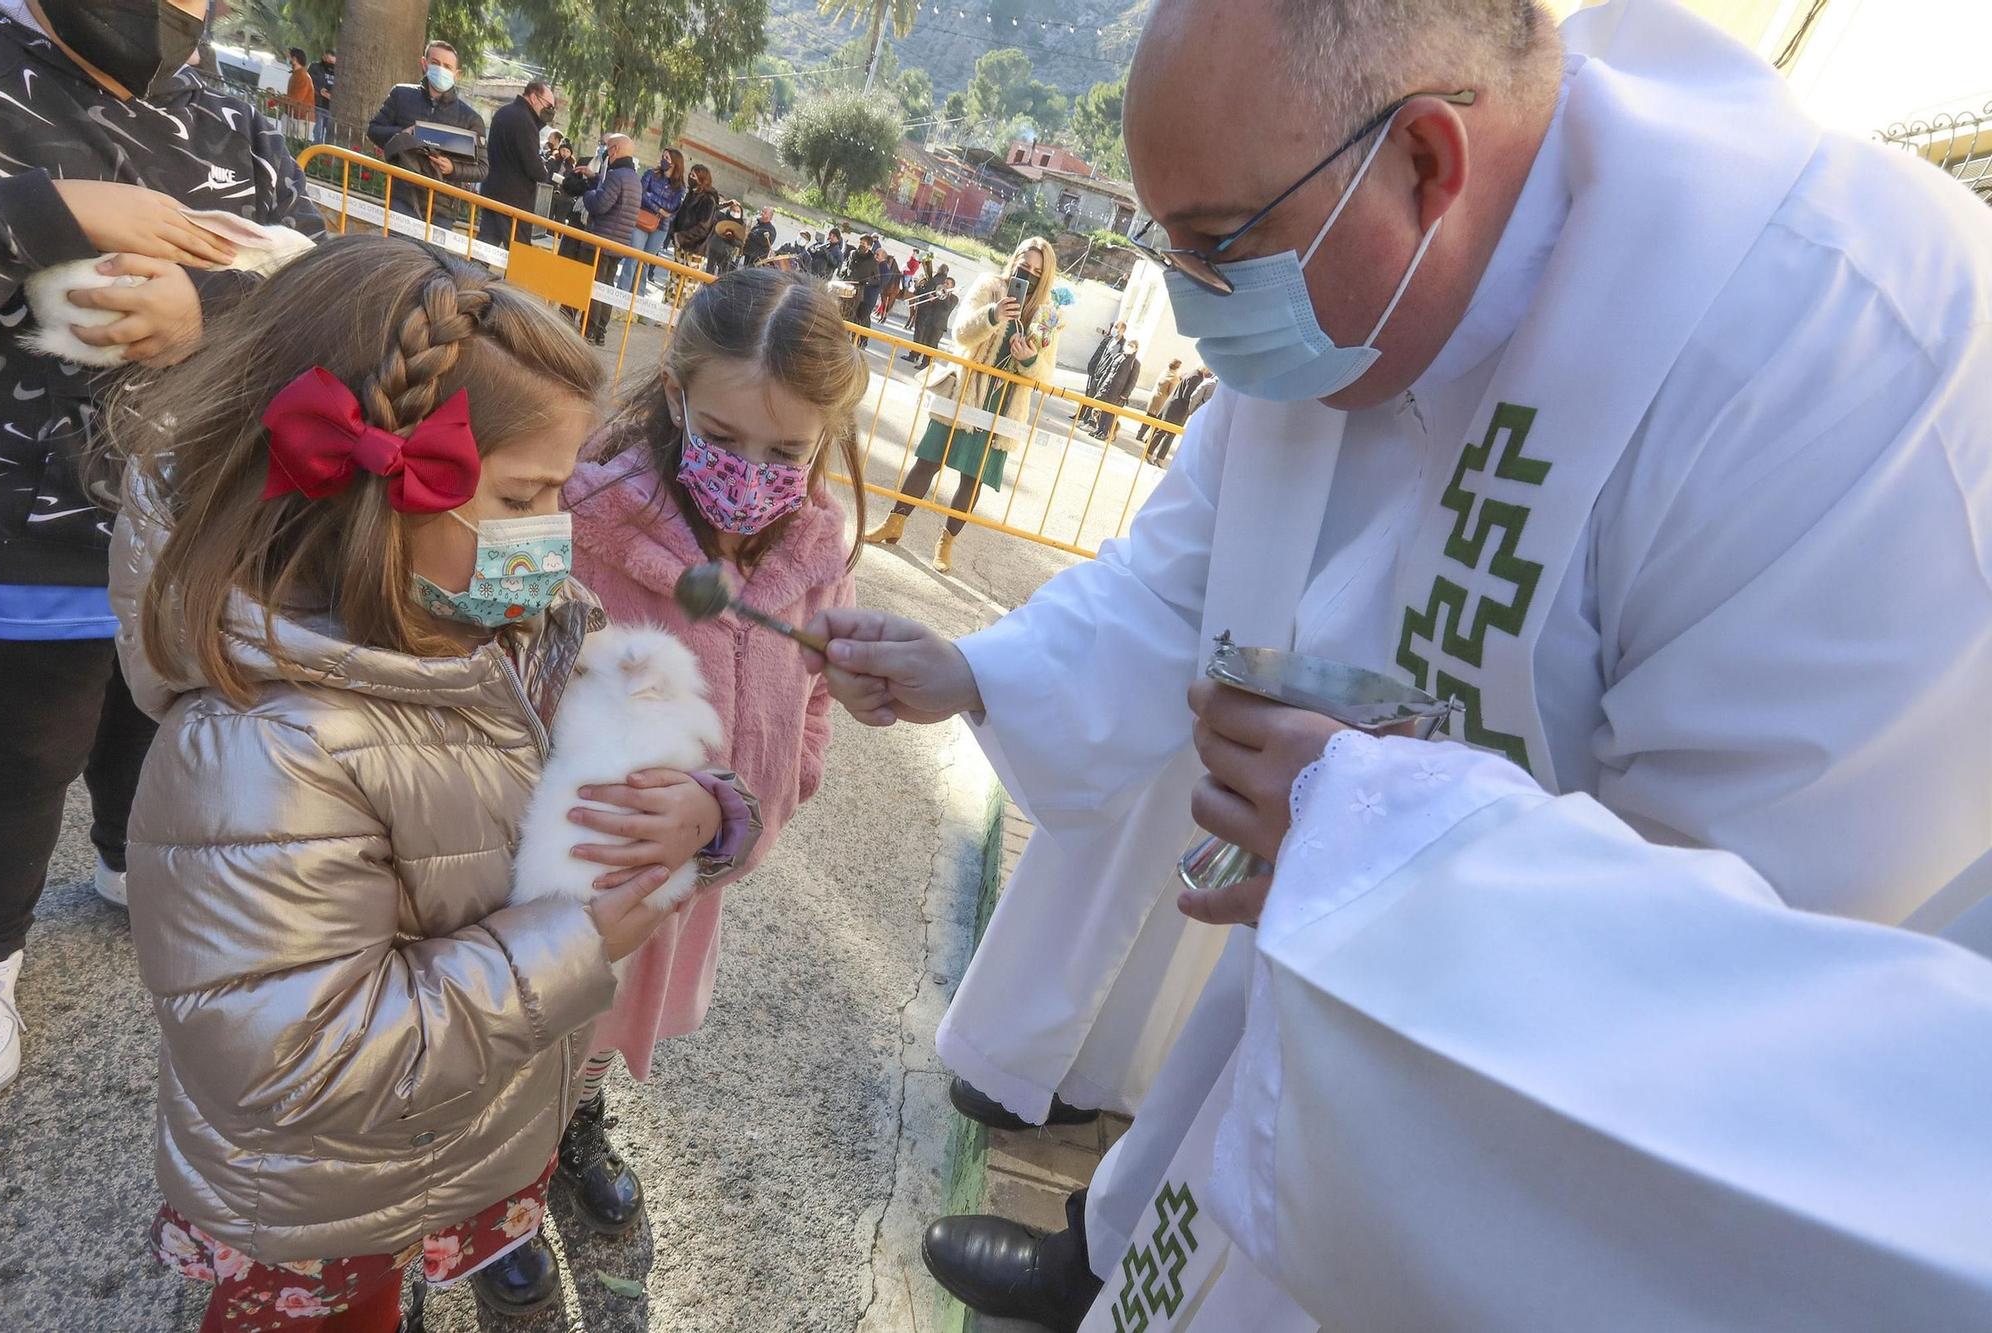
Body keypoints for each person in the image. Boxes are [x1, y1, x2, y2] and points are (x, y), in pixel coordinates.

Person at [806, 0, 1992, 1327]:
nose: (1197, 307)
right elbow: (1181, 569)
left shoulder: (1833, 342)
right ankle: (1113, 1249)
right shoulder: (1334, 260)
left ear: (1428, 161)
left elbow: (1740, 998)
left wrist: (1393, 839)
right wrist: (975, 673)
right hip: (1315, 951)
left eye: (1214, 249)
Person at [112, 236, 734, 1329]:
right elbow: (299, 1058)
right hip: (319, 1204)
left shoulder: (485, 629)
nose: (557, 535)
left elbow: (638, 745)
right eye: (530, 493)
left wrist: (707, 810)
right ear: (385, 495)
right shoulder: (264, 751)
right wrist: (571, 943)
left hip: (426, 1144)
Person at [0, 0, 326, 1096]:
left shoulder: (234, 123)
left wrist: (209, 308)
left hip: (183, 520)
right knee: (25, 749)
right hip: (21, 528)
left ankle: (132, 857)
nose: (181, 11)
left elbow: (317, 289)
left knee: (155, 710)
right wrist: (51, 210)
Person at [558, 266, 870, 1234]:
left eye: (784, 449)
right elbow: (520, 690)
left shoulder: (816, 553)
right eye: (723, 438)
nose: (750, 470)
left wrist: (762, 793)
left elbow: (811, 699)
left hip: (692, 873)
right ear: (673, 396)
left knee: (599, 1030)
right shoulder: (581, 525)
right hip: (569, 872)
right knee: (533, 1022)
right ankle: (496, 1191)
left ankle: (573, 1119)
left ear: (825, 439)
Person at [862, 238, 1059, 574]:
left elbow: (1046, 372)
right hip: (966, 390)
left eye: (1038, 271)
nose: (1030, 274)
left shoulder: (1049, 313)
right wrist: (994, 315)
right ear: (1014, 260)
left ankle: (945, 545)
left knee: (973, 478)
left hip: (1003, 403)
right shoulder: (988, 286)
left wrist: (1029, 361)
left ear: (1048, 275)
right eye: (1025, 265)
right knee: (928, 460)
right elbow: (960, 334)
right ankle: (893, 525)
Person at [366, 39, 487, 221]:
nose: (441, 70)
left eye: (447, 66)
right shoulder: (401, 95)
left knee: (431, 251)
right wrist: (403, 135)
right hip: (403, 196)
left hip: (443, 207)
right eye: (435, 63)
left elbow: (482, 169)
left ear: (457, 74)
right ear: (424, 63)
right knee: (398, 249)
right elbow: (374, 130)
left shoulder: (470, 118)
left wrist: (452, 169)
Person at [576, 133, 640, 345]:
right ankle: (601, 331)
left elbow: (600, 204)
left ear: (615, 150)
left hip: (602, 239)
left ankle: (589, 329)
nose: (606, 152)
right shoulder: (633, 179)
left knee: (595, 286)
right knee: (607, 288)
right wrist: (596, 179)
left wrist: (588, 192)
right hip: (618, 243)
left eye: (608, 147)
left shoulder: (616, 175)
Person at [478, 80, 554, 252]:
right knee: (518, 257)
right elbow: (534, 167)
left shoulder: (503, 112)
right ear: (534, 97)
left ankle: (469, 278)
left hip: (492, 192)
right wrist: (544, 171)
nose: (550, 111)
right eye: (548, 105)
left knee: (483, 249)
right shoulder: (525, 122)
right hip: (514, 202)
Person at [620, 148, 685, 295]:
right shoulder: (651, 174)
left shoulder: (680, 188)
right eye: (663, 156)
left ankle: (638, 297)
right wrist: (659, 209)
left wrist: (652, 198)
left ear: (675, 163)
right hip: (642, 219)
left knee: (645, 262)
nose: (663, 159)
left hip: (661, 227)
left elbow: (672, 207)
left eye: (667, 158)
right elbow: (641, 194)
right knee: (633, 257)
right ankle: (622, 293)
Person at [1146, 365, 1207, 464]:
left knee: (1163, 432)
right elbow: (1187, 396)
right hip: (1178, 410)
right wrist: (1195, 404)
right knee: (1168, 434)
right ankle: (1157, 457)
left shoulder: (1192, 373)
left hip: (1173, 407)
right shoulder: (1196, 377)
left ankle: (1152, 454)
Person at [1088, 338, 1141, 440]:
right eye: (1128, 344)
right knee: (1103, 410)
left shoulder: (1135, 363)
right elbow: (1108, 371)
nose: (1129, 347)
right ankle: (1099, 430)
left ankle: (1106, 432)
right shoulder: (1118, 356)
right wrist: (1101, 384)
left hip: (1118, 393)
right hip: (1107, 389)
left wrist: (1125, 395)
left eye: (1132, 345)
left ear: (1136, 349)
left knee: (1110, 415)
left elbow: (1132, 381)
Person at [667, 163, 718, 265]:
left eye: (693, 176)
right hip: (681, 245)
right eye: (690, 174)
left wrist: (681, 237)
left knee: (689, 279)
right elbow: (681, 215)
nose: (690, 177)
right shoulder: (690, 194)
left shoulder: (708, 200)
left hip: (696, 249)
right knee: (675, 278)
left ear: (701, 180)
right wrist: (674, 233)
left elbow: (703, 227)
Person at [904, 274, 959, 368]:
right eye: (945, 282)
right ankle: (922, 361)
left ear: (952, 287)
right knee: (925, 342)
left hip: (939, 325)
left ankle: (926, 364)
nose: (945, 284)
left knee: (932, 345)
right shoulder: (937, 293)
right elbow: (930, 305)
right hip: (929, 321)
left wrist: (944, 294)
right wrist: (930, 299)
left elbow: (947, 307)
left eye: (948, 283)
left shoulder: (954, 298)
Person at [1079, 321, 1126, 427]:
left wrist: (1104, 373)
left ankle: (1091, 423)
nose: (1113, 328)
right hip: (1097, 371)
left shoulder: (1120, 345)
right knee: (1090, 397)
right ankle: (1085, 419)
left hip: (1104, 375)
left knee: (1096, 400)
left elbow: (1110, 361)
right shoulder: (1110, 340)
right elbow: (1103, 357)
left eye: (1116, 327)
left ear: (1122, 330)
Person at [1135, 358, 1183, 443]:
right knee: (1157, 422)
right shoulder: (1174, 378)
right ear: (1178, 367)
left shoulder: (1164, 372)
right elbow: (1171, 392)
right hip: (1162, 402)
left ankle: (1140, 435)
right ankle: (1149, 439)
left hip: (1154, 398)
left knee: (1148, 418)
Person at [280, 46, 314, 142]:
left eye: (289, 57)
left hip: (301, 119)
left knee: (295, 147)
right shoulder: (296, 75)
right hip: (293, 116)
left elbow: (296, 99)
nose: (287, 59)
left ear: (294, 59)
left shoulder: (302, 76)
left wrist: (278, 99)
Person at [308, 48, 334, 140]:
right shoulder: (315, 67)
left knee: (330, 132)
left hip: (332, 106)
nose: (328, 61)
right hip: (318, 103)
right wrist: (320, 91)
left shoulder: (337, 70)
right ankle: (317, 147)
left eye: (330, 60)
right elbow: (310, 81)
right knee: (318, 130)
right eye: (326, 58)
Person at [873, 248, 903, 323]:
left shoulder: (914, 260)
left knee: (905, 279)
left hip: (907, 273)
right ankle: (881, 314)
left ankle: (903, 289)